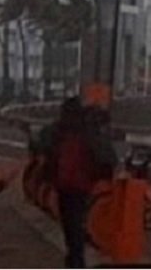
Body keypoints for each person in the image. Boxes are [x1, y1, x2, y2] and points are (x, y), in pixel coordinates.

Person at [38, 97, 116, 268]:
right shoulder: (87, 131)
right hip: (82, 185)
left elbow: (43, 141)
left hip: (62, 183)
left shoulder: (59, 130)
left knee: (69, 223)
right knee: (77, 222)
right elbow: (107, 156)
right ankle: (76, 258)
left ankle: (74, 258)